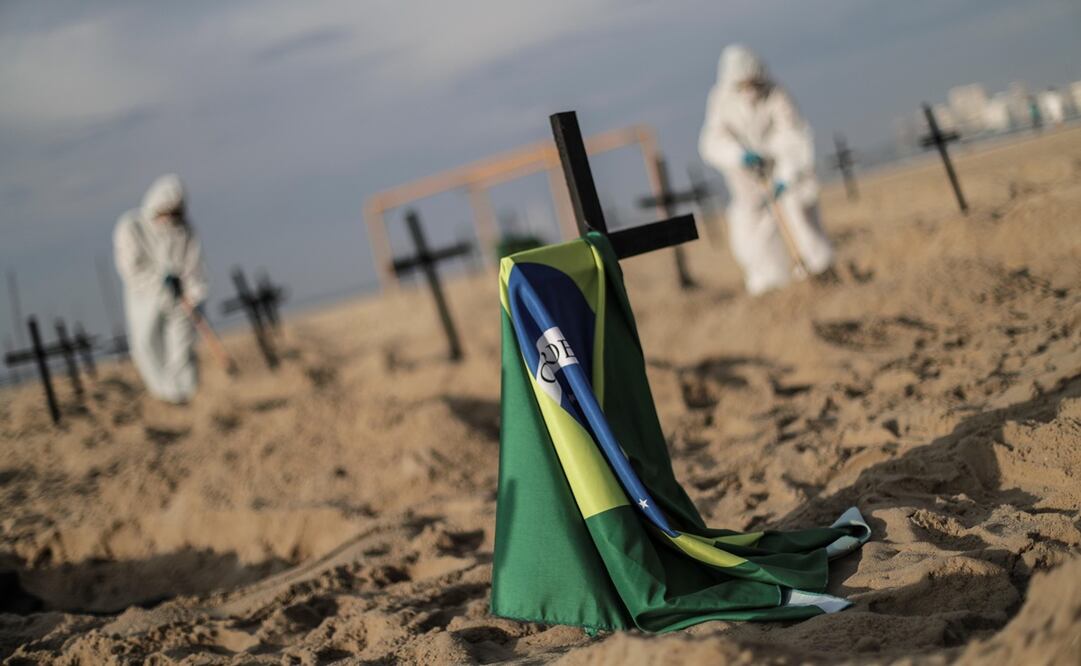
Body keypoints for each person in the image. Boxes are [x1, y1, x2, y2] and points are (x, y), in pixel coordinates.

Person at [699, 44, 834, 295]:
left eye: (753, 83)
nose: (749, 90)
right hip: (747, 179)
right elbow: (712, 142)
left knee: (797, 215)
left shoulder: (776, 94)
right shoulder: (720, 100)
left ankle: (818, 270)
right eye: (742, 84)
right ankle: (769, 284)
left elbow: (794, 135)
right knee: (753, 231)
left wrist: (785, 174)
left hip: (780, 170)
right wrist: (740, 156)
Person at [114, 174, 208, 403]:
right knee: (147, 344)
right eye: (167, 211)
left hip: (181, 301)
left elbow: (194, 268)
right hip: (145, 300)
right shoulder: (131, 226)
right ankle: (165, 396)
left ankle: (187, 395)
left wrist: (192, 294)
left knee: (182, 348)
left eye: (176, 212)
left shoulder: (185, 231)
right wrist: (160, 280)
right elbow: (131, 268)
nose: (171, 218)